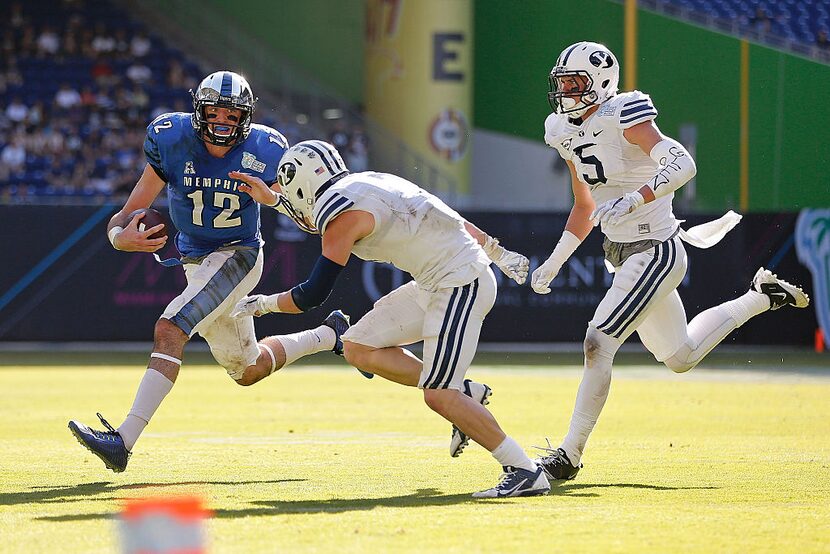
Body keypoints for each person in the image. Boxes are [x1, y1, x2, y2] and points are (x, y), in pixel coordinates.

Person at [530, 41, 810, 482]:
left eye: (574, 82)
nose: (564, 90)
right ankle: (761, 298)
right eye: (561, 82)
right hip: (623, 255)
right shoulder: (563, 130)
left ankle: (569, 454)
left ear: (601, 84)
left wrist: (636, 197)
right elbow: (585, 206)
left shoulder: (623, 112)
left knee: (597, 343)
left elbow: (682, 163)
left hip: (655, 249)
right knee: (680, 356)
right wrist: (556, 259)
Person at [68, 71, 354, 473]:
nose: (222, 121)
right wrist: (120, 237)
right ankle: (329, 335)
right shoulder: (170, 139)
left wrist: (271, 198)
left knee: (171, 328)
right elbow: (128, 212)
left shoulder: (268, 149)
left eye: (232, 114)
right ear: (198, 111)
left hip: (238, 255)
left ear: (246, 118)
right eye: (215, 111)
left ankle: (122, 440)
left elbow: (306, 216)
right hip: (197, 262)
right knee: (247, 370)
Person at [230, 140, 550, 498]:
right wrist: (496, 249)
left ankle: (523, 468)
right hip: (438, 281)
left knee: (438, 395)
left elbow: (312, 294)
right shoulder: (369, 181)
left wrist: (261, 304)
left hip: (460, 282)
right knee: (357, 345)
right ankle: (465, 394)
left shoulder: (339, 214)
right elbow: (450, 217)